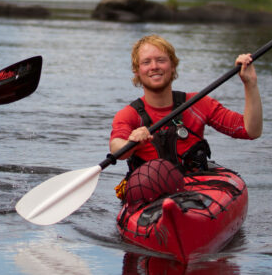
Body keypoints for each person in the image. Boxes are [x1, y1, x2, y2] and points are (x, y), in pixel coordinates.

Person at [109, 34, 262, 208]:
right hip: (151, 192)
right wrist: (132, 141)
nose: (154, 67)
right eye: (146, 62)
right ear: (137, 71)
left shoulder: (198, 103)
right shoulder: (129, 114)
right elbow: (116, 149)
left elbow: (250, 130)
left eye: (161, 60)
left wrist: (250, 84)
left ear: (173, 66)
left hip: (197, 190)